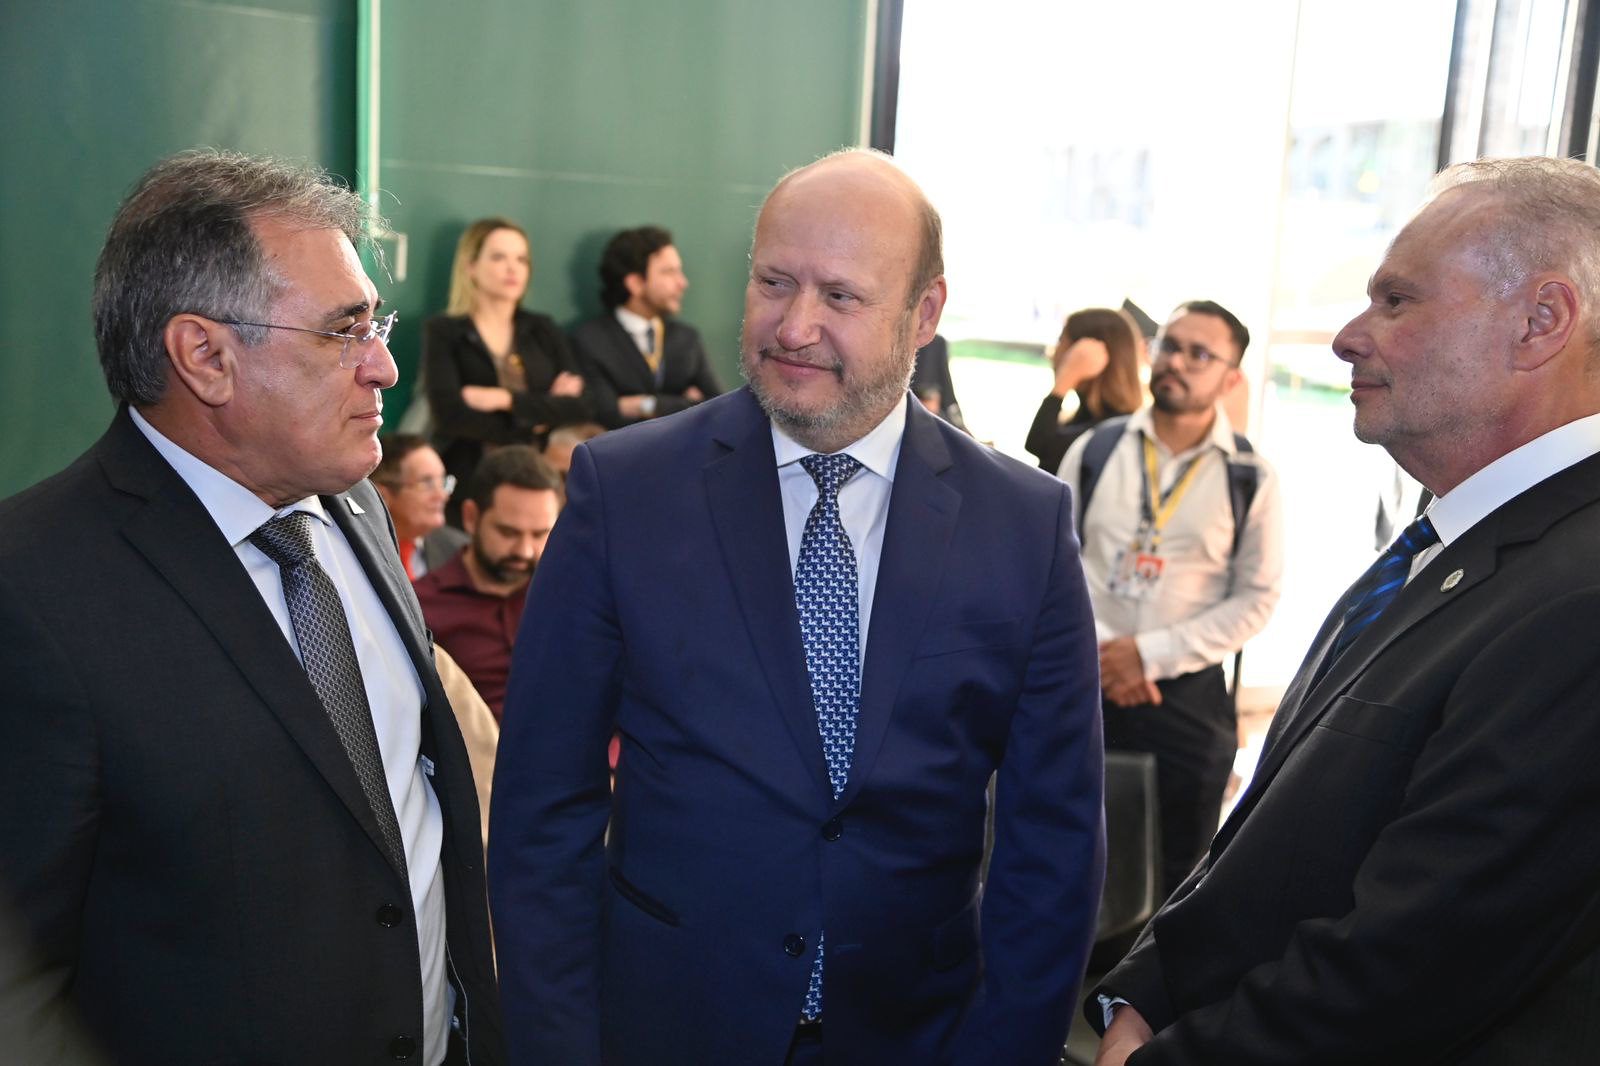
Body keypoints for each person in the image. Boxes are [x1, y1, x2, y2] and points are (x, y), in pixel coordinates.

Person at [490, 149, 1105, 1066]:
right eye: (774, 282)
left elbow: (1052, 842)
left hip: (916, 1036)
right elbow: (545, 801)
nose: (796, 326)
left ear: (925, 313)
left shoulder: (1022, 523)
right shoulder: (625, 492)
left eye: (842, 297)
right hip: (663, 1029)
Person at [1090, 156, 1600, 1065]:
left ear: (1541, 322)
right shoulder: (1455, 541)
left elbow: (1418, 963)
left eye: (1397, 301)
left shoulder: (1580, 595)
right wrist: (1150, 987)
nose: (1349, 338)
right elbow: (1283, 826)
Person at [0, 150, 502, 1064]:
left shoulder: (354, 505)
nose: (384, 367)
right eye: (344, 331)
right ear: (205, 356)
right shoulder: (30, 590)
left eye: (375, 322)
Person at [1058, 301, 1282, 900]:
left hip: (1183, 698)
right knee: (1062, 857)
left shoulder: (1249, 476)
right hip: (1083, 681)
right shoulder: (1095, 450)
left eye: (1199, 354)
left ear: (1231, 378)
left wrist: (1148, 656)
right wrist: (1109, 651)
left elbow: (1256, 598)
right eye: (1169, 345)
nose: (1176, 362)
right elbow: (1057, 565)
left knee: (1173, 878)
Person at [424, 217, 592, 523]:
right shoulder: (445, 332)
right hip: (467, 482)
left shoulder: (542, 329)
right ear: (471, 266)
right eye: (499, 257)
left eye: (521, 259)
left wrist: (505, 400)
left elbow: (579, 406)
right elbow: (449, 416)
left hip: (540, 481)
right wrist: (537, 417)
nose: (512, 268)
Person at [413, 446, 562, 720]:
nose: (525, 550)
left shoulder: (573, 594)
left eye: (540, 534)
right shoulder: (419, 609)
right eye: (508, 532)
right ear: (471, 517)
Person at [569, 225, 723, 428]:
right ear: (635, 283)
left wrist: (645, 404)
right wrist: (688, 404)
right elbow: (605, 412)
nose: (682, 283)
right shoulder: (589, 340)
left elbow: (718, 405)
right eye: (669, 272)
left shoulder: (687, 338)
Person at [1026, 307, 1144, 473]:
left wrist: (1065, 379)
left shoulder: (1113, 429)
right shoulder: (1084, 416)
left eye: (1061, 341)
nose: (1052, 353)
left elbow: (1039, 445)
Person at [373, 433, 468, 579]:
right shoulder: (356, 547)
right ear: (382, 495)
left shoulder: (460, 552)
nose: (442, 495)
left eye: (443, 482)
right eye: (427, 483)